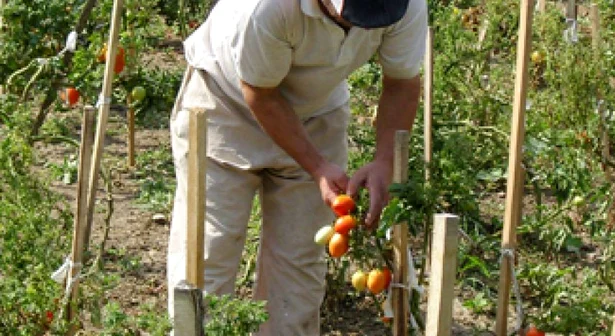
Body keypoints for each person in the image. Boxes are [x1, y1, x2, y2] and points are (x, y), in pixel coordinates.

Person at [167, 0, 427, 334]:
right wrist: (317, 166)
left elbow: (402, 84)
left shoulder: (406, 5)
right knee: (207, 259)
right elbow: (260, 92)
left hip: (317, 112)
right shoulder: (268, 8)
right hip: (224, 104)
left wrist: (384, 161)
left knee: (298, 270)